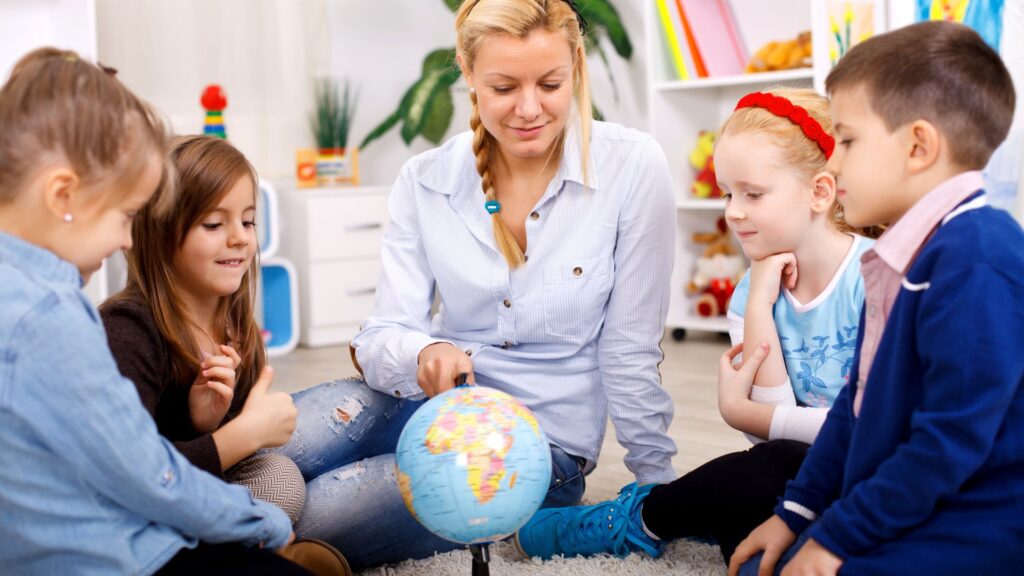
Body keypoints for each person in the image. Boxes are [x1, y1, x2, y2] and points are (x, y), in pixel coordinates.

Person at [267, 0, 678, 569]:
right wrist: (424, 350)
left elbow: (630, 349)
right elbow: (385, 332)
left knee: (316, 517)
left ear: (576, 66)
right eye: (504, 87)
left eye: (551, 83)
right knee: (266, 450)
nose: (529, 109)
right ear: (467, 72)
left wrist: (659, 486)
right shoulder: (426, 180)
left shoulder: (633, 168)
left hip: (537, 446)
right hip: (426, 404)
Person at [516, 88, 877, 564]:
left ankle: (645, 518)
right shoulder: (751, 294)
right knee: (755, 511)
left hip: (877, 471)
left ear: (820, 191)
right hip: (803, 472)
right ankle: (658, 519)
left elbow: (870, 427)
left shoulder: (876, 277)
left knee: (767, 478)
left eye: (753, 194)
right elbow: (774, 438)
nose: (732, 211)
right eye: (728, 193)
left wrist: (742, 410)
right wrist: (759, 310)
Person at [730, 21, 1024, 576]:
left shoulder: (977, 260)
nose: (832, 163)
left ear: (918, 146)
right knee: (757, 561)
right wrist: (796, 513)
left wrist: (837, 539)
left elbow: (948, 441)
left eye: (846, 140)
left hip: (979, 523)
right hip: (910, 504)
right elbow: (854, 407)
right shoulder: (899, 257)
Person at [0, 47, 309, 575]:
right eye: (126, 216)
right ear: (62, 195)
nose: (127, 238)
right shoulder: (56, 316)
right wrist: (260, 524)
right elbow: (150, 477)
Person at [100, 135, 350, 575]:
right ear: (159, 235)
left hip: (211, 479)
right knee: (294, 484)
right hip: (154, 508)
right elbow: (136, 476)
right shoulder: (127, 330)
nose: (239, 238)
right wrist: (243, 434)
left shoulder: (232, 320)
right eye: (213, 225)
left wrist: (208, 421)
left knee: (363, 412)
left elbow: (229, 458)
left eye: (249, 222)